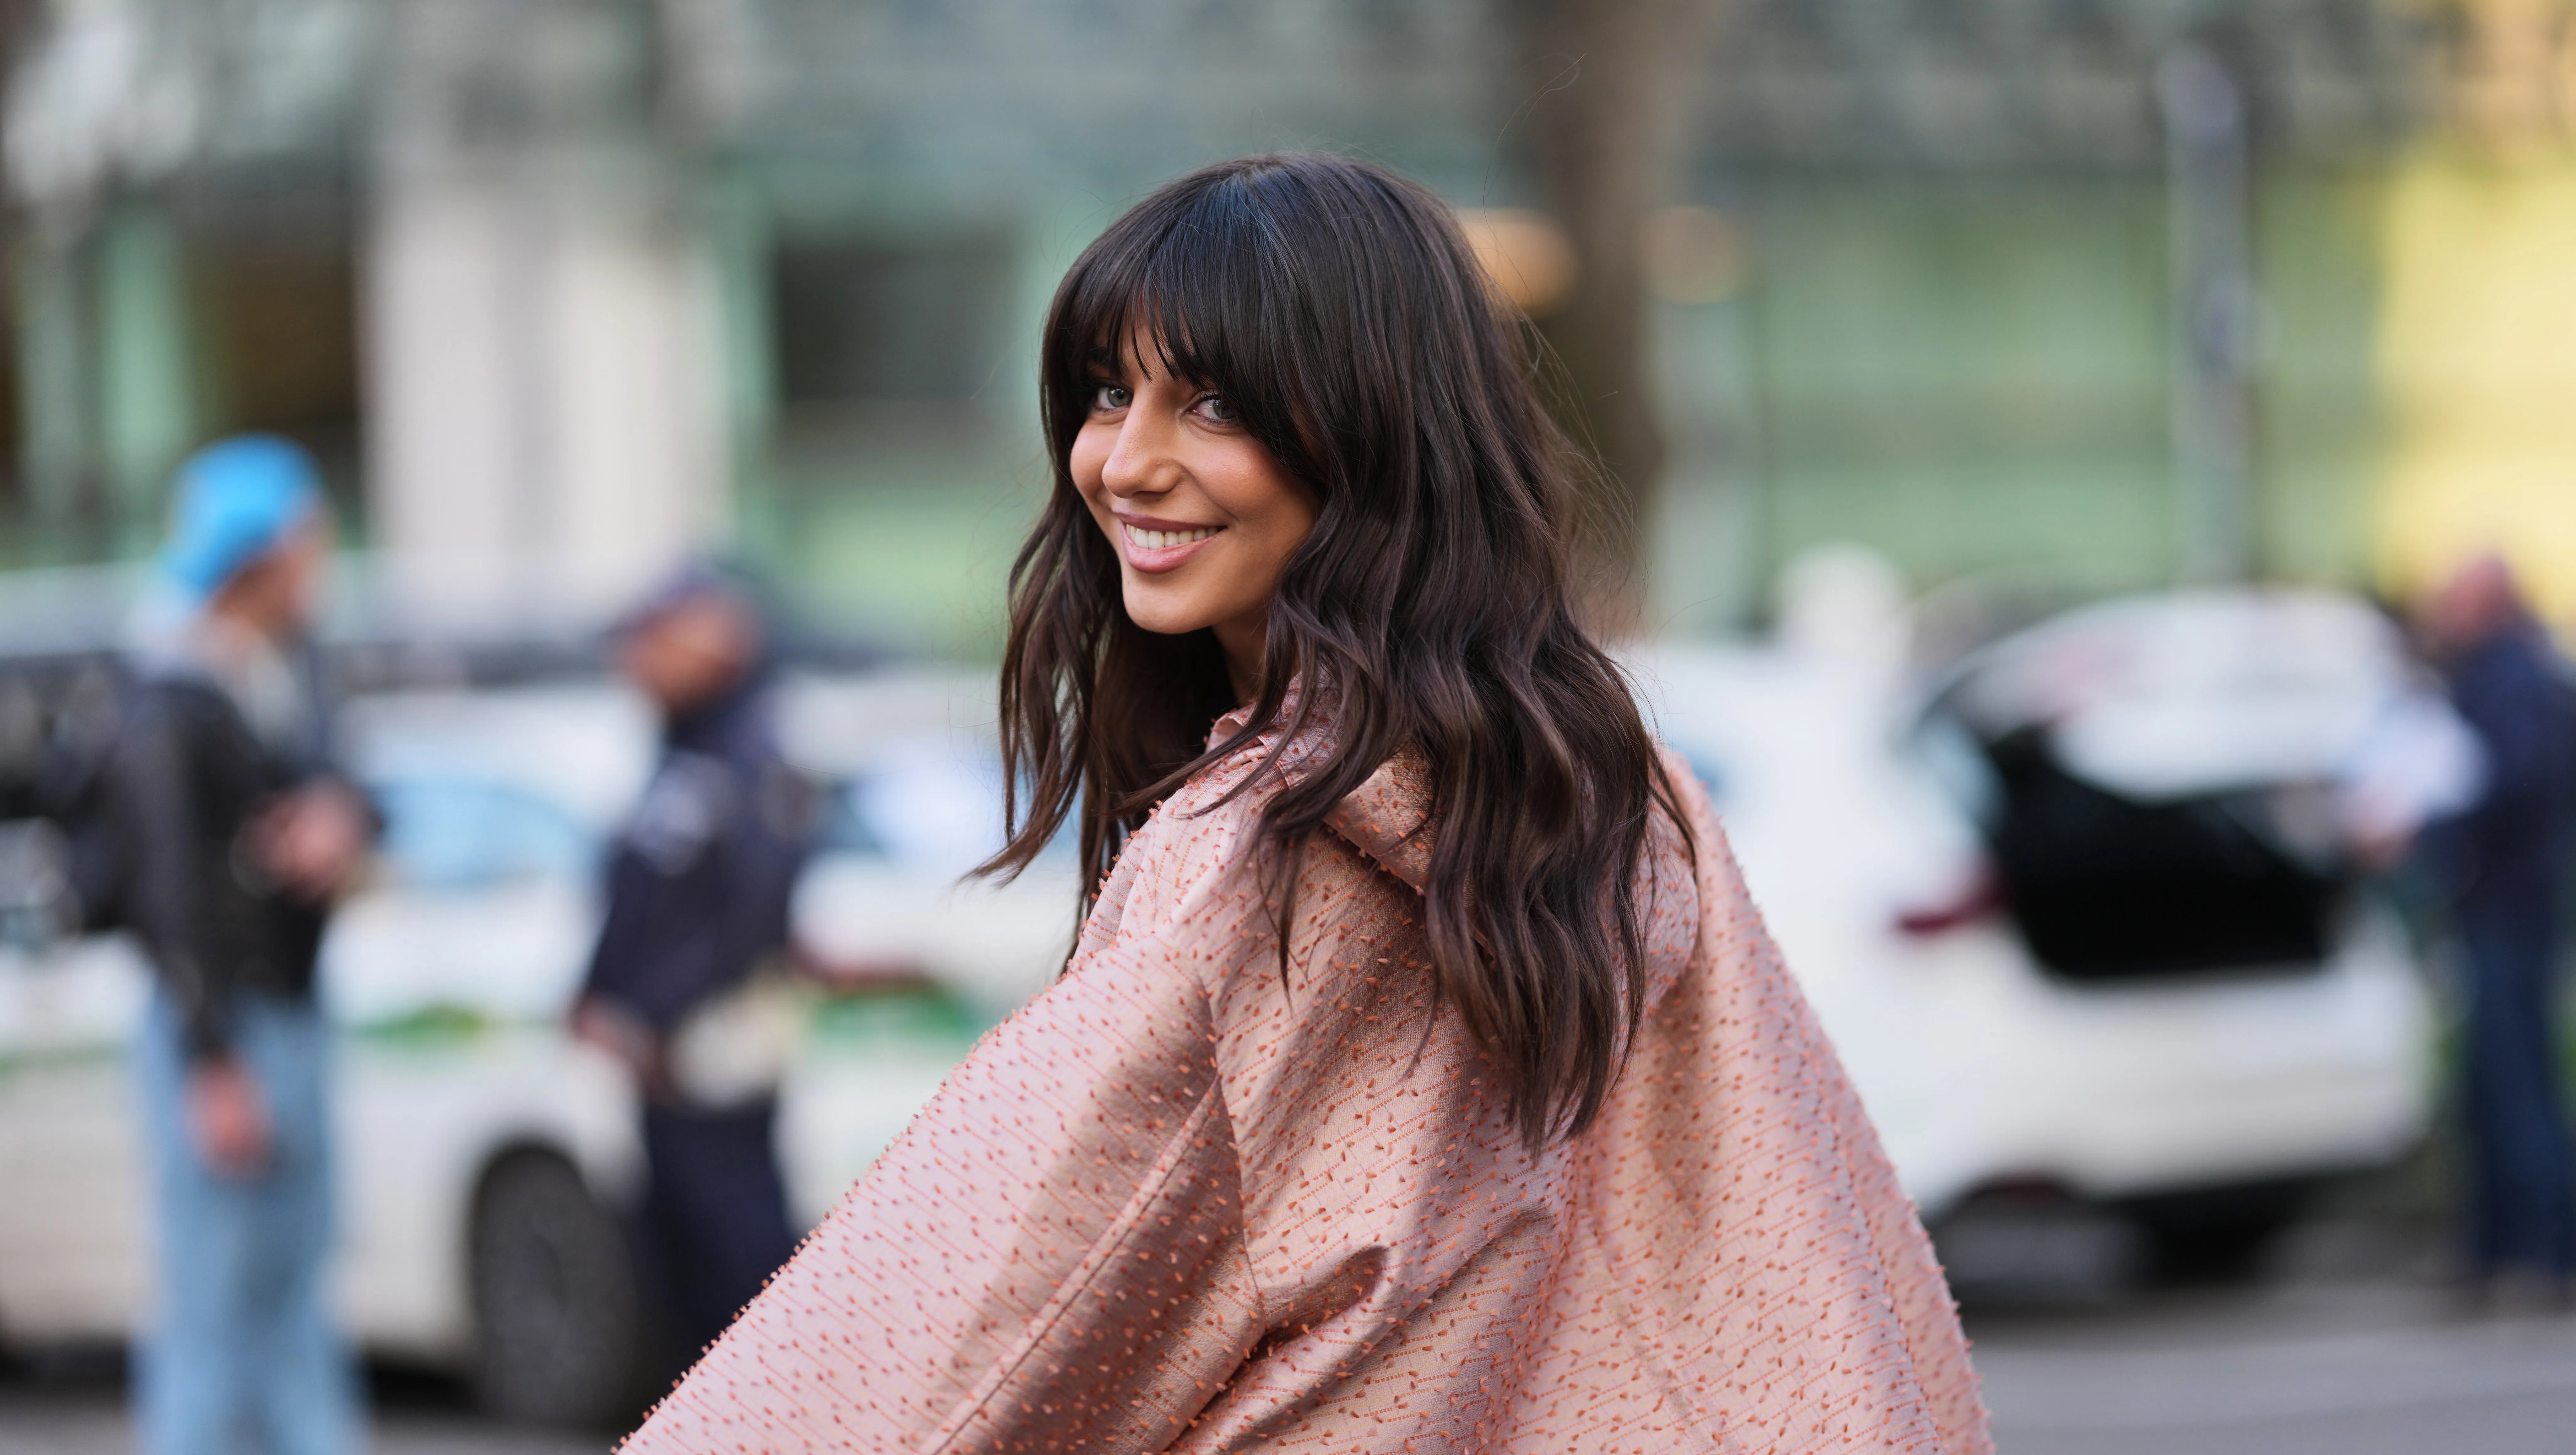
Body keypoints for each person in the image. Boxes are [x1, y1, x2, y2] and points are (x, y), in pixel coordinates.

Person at [621, 154, 1988, 1452]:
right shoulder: (1615, 792)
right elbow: (1824, 1261)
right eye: (1106, 394)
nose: (1127, 463)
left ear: (1375, 431)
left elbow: (981, 1328)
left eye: (1213, 404)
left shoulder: (1258, 848)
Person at [111, 435, 372, 1455]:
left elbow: (357, 782)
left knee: (298, 1295)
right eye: (310, 537)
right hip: (220, 1028)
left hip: (297, 1005)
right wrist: (213, 1056)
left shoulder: (292, 666)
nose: (323, 559)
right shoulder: (168, 688)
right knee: (213, 1306)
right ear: (262, 552)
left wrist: (343, 817)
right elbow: (168, 888)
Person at [572, 567, 809, 1376]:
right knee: (674, 1265)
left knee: (744, 1262)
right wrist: (598, 998)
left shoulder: (753, 753)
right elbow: (636, 898)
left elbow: (751, 912)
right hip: (658, 1064)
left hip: (713, 1055)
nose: (637, 662)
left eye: (655, 639)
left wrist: (655, 1019)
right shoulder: (678, 752)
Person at [2421, 555, 2576, 1304]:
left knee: (2517, 1087)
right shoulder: (2494, 673)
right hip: (2495, 900)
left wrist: (2433, 819)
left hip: (2510, 903)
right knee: (2488, 1086)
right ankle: (2495, 1248)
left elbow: (2513, 783)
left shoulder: (2516, 679)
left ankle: (2548, 1254)